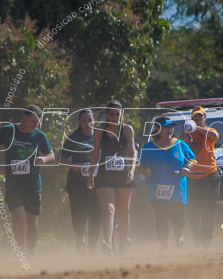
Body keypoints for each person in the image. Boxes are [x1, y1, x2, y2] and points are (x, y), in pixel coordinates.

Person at [0, 104, 55, 254]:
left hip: (33, 185)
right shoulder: (8, 130)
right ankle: (20, 253)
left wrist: (44, 159)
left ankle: (30, 253)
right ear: (24, 117)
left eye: (37, 123)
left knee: (32, 221)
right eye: (33, 121)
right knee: (18, 219)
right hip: (14, 185)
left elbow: (52, 154)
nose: (35, 125)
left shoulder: (39, 136)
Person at [138, 116, 196, 250]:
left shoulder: (180, 144)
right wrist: (143, 171)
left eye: (171, 127)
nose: (169, 130)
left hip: (177, 187)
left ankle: (179, 236)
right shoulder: (148, 147)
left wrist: (187, 167)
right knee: (161, 216)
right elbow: (139, 164)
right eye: (165, 127)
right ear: (157, 130)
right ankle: (163, 243)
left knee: (179, 215)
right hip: (156, 188)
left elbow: (191, 158)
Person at [87, 100, 137, 254]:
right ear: (107, 115)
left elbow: (132, 152)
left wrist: (132, 170)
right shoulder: (100, 131)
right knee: (108, 209)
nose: (114, 117)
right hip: (105, 175)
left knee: (124, 211)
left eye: (117, 114)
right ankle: (107, 244)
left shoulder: (127, 130)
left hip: (123, 175)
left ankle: (122, 245)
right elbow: (95, 154)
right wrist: (91, 174)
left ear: (121, 114)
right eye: (111, 114)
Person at [60, 109, 100, 253]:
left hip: (97, 183)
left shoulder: (99, 136)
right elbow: (61, 159)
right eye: (84, 121)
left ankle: (93, 248)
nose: (87, 123)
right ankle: (80, 240)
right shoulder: (73, 138)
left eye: (90, 120)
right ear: (79, 122)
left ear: (94, 120)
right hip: (76, 184)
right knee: (79, 214)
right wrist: (73, 166)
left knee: (96, 214)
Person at [181, 107, 219, 246]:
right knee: (193, 211)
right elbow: (179, 145)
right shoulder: (188, 132)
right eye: (195, 117)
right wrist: (185, 132)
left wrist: (197, 128)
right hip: (192, 177)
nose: (197, 119)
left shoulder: (210, 130)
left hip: (210, 175)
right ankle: (197, 236)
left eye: (200, 117)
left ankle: (207, 239)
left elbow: (215, 136)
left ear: (205, 118)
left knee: (209, 210)